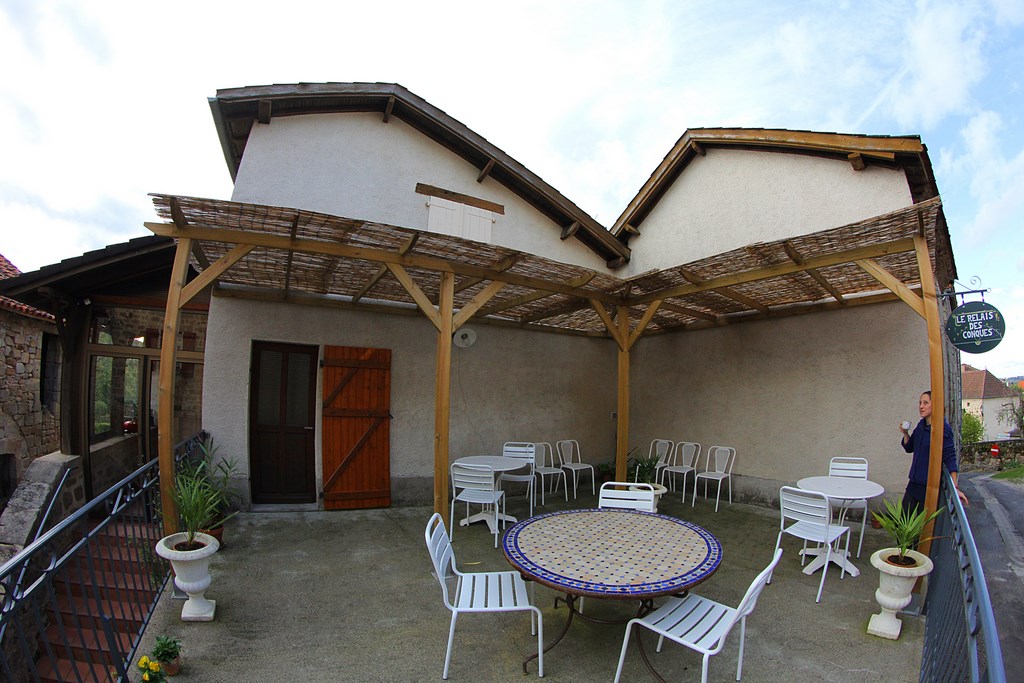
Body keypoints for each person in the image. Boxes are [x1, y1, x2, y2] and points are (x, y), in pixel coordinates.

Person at [899, 390, 968, 513]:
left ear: (934, 405)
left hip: (928, 488)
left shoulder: (942, 429)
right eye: (920, 403)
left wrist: (955, 488)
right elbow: (909, 447)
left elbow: (950, 460)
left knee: (922, 528)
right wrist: (905, 433)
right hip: (913, 484)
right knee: (902, 524)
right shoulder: (921, 426)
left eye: (925, 403)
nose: (921, 406)